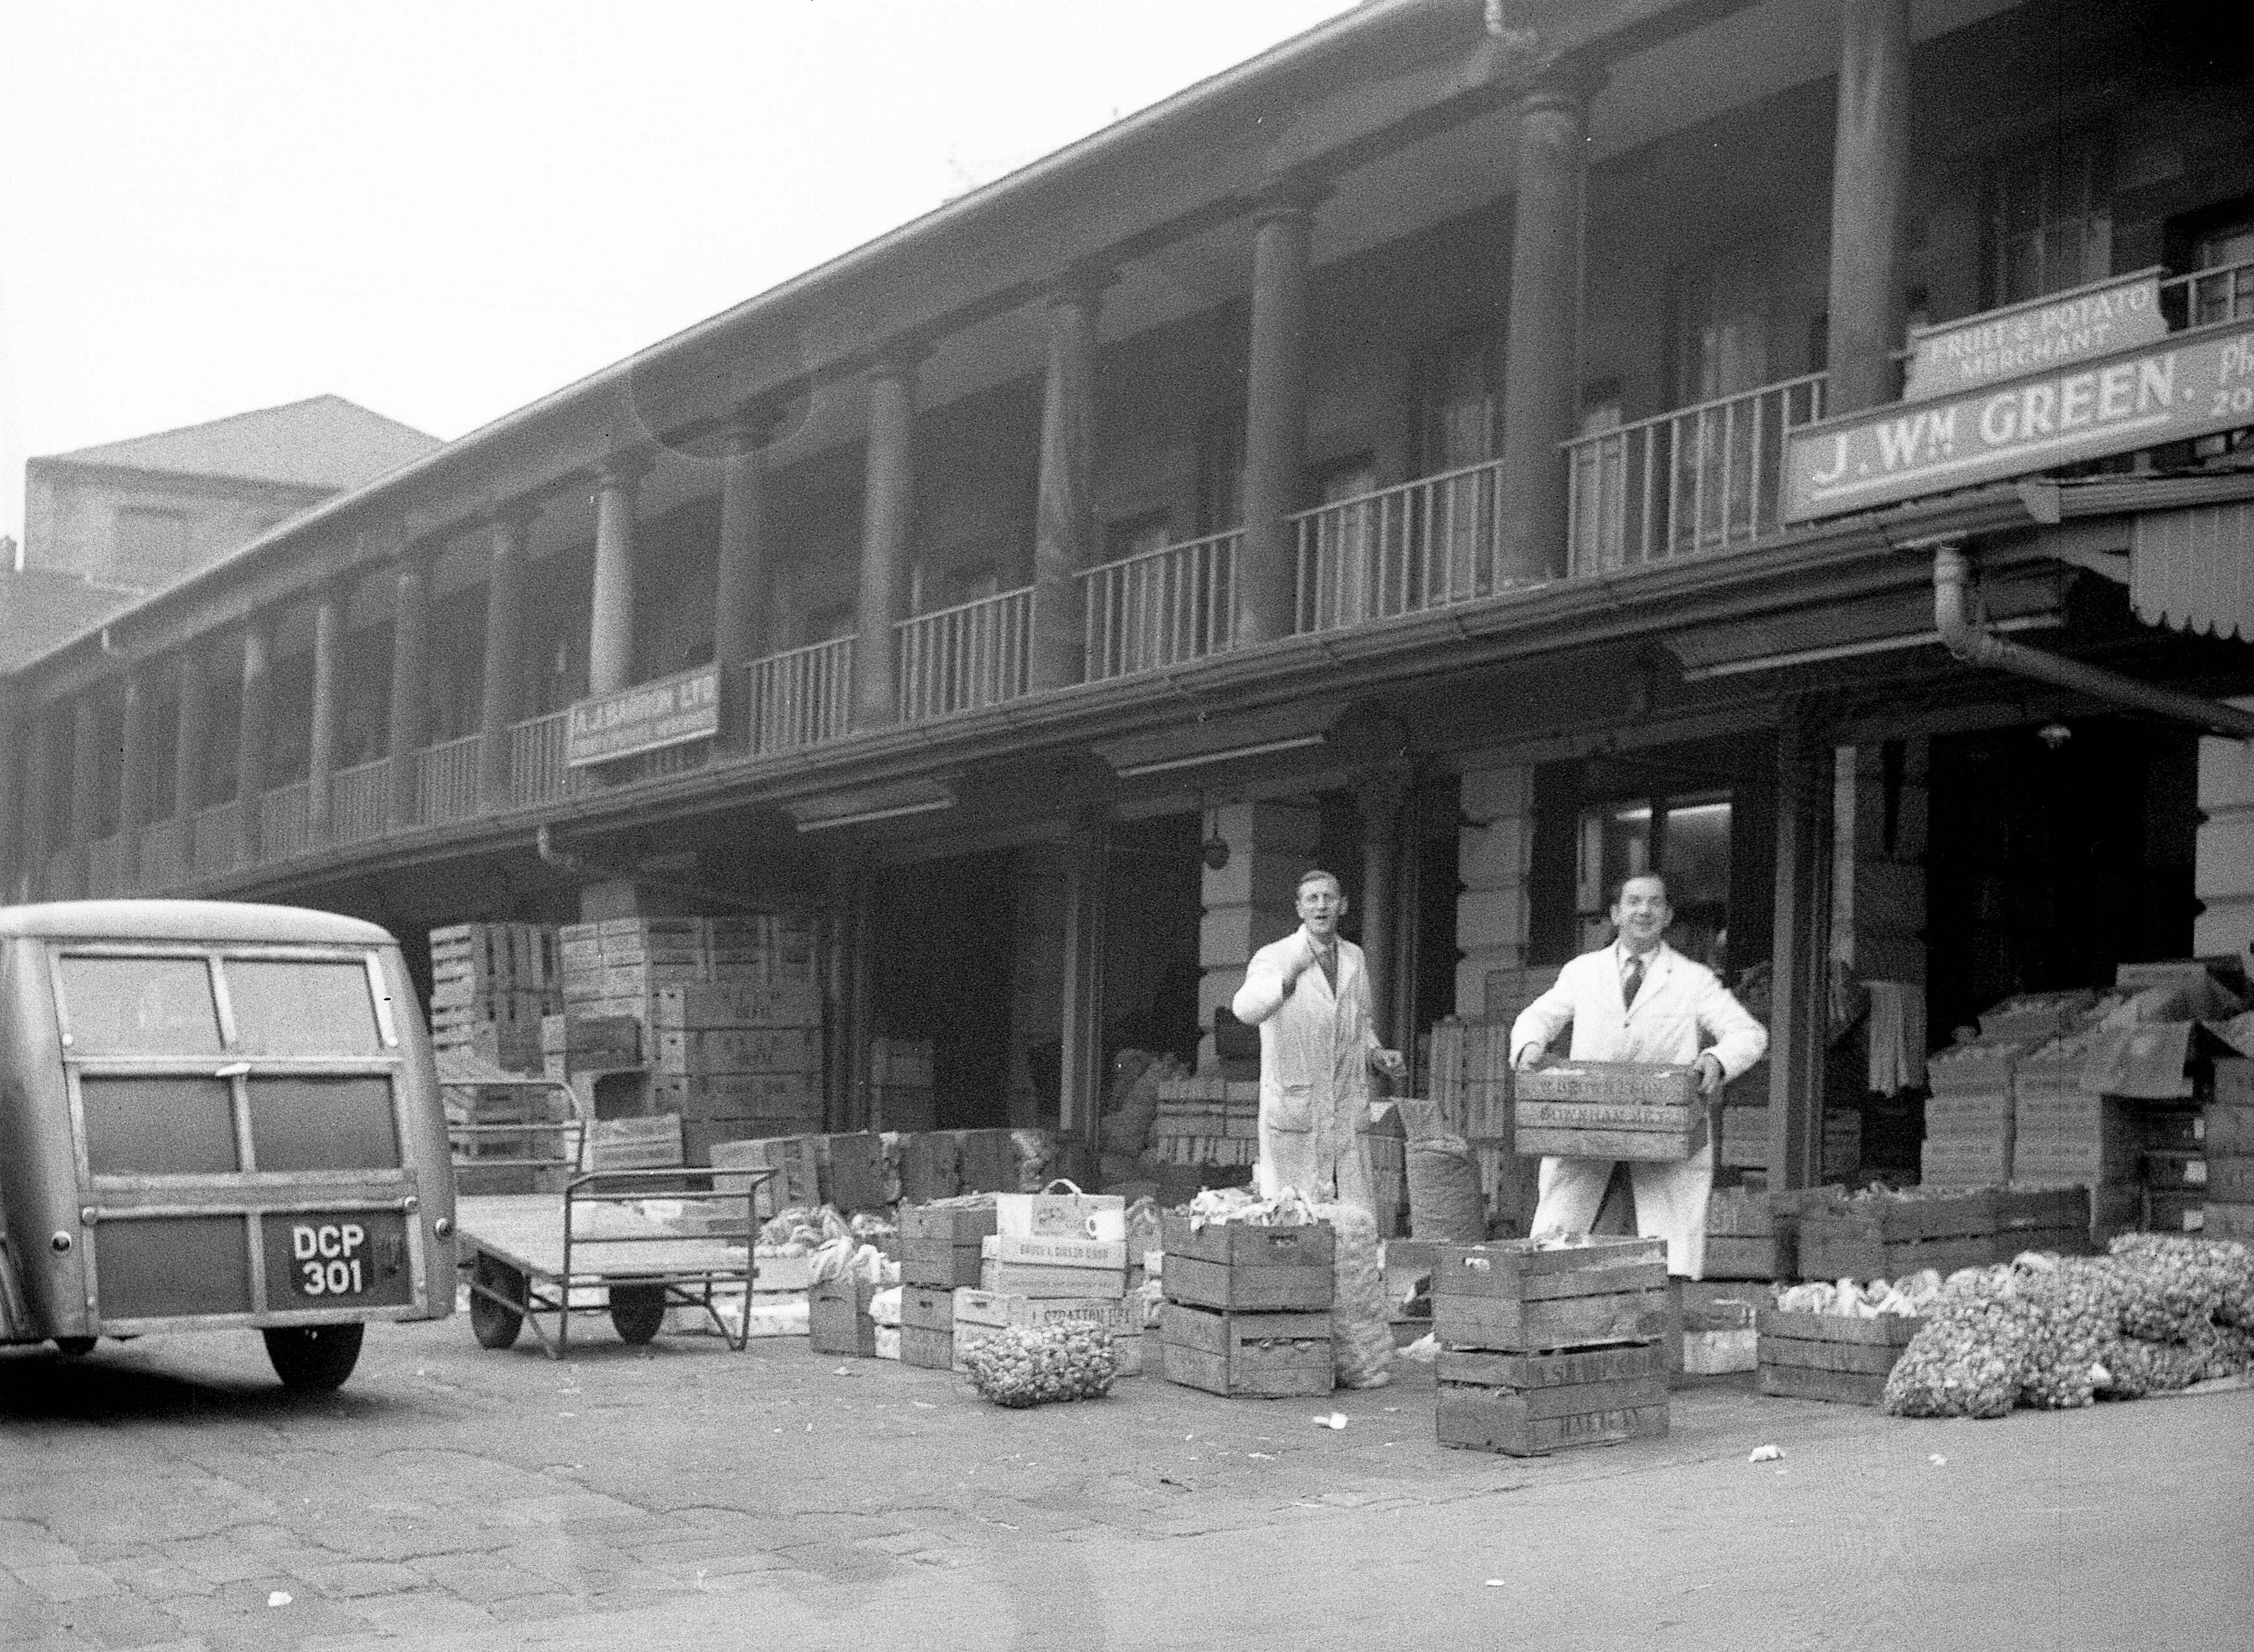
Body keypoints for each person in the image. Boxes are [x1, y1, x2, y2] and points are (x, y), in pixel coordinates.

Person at [1510, 872, 1766, 1278]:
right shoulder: (1583, 971)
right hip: (1588, 1121)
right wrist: (1529, 1045)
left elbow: (1749, 1034)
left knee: (1668, 1250)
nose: (1643, 911)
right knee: (1558, 1237)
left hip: (1664, 1124)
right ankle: (1553, 1316)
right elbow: (1540, 1015)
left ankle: (1663, 1323)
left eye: (1654, 903)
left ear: (1667, 916)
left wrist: (1716, 1060)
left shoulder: (1692, 978)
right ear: (1616, 914)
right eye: (1633, 902)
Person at [1231, 868, 1406, 1212]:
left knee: (1354, 1220)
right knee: (1292, 1219)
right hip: (1297, 1110)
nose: (1321, 906)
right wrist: (1286, 979)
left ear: (1343, 906)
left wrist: (1375, 1053)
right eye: (1312, 899)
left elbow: (1360, 1021)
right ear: (1300, 908)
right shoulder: (1276, 956)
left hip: (1344, 1108)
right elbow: (1245, 1009)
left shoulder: (1355, 957)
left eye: (1329, 898)